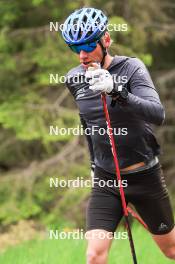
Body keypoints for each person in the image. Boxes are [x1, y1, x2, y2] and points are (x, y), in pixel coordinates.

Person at [62, 7, 175, 264]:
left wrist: (117, 90)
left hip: (144, 176)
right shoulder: (74, 78)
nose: (82, 55)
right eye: (74, 48)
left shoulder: (132, 68)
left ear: (107, 40)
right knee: (94, 256)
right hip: (106, 179)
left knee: (171, 251)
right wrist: (93, 163)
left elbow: (157, 114)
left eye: (89, 46)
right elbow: (88, 122)